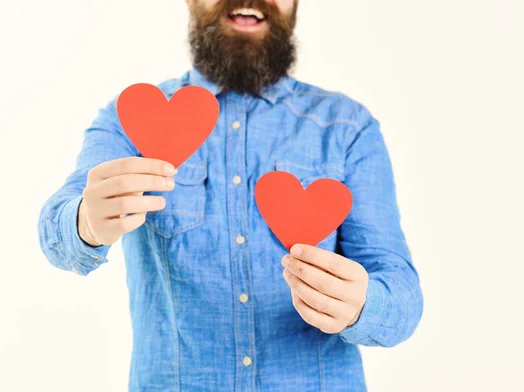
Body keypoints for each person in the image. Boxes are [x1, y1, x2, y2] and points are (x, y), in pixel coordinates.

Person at [37, 0, 423, 390]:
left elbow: (402, 296)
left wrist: (363, 306)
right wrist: (85, 220)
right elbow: (57, 234)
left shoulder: (348, 127)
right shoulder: (131, 120)